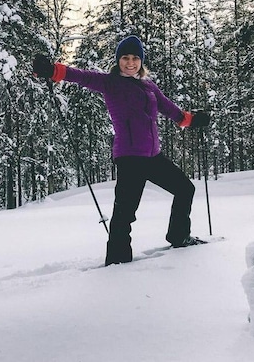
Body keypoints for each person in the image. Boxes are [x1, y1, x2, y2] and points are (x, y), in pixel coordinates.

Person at [32, 35, 210, 265]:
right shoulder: (110, 82)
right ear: (118, 61)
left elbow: (171, 110)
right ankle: (117, 261)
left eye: (135, 58)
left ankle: (179, 236)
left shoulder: (149, 86)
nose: (130, 62)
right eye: (125, 58)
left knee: (185, 188)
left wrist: (193, 120)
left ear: (141, 61)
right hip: (130, 158)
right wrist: (52, 70)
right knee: (125, 214)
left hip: (153, 157)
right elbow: (79, 76)